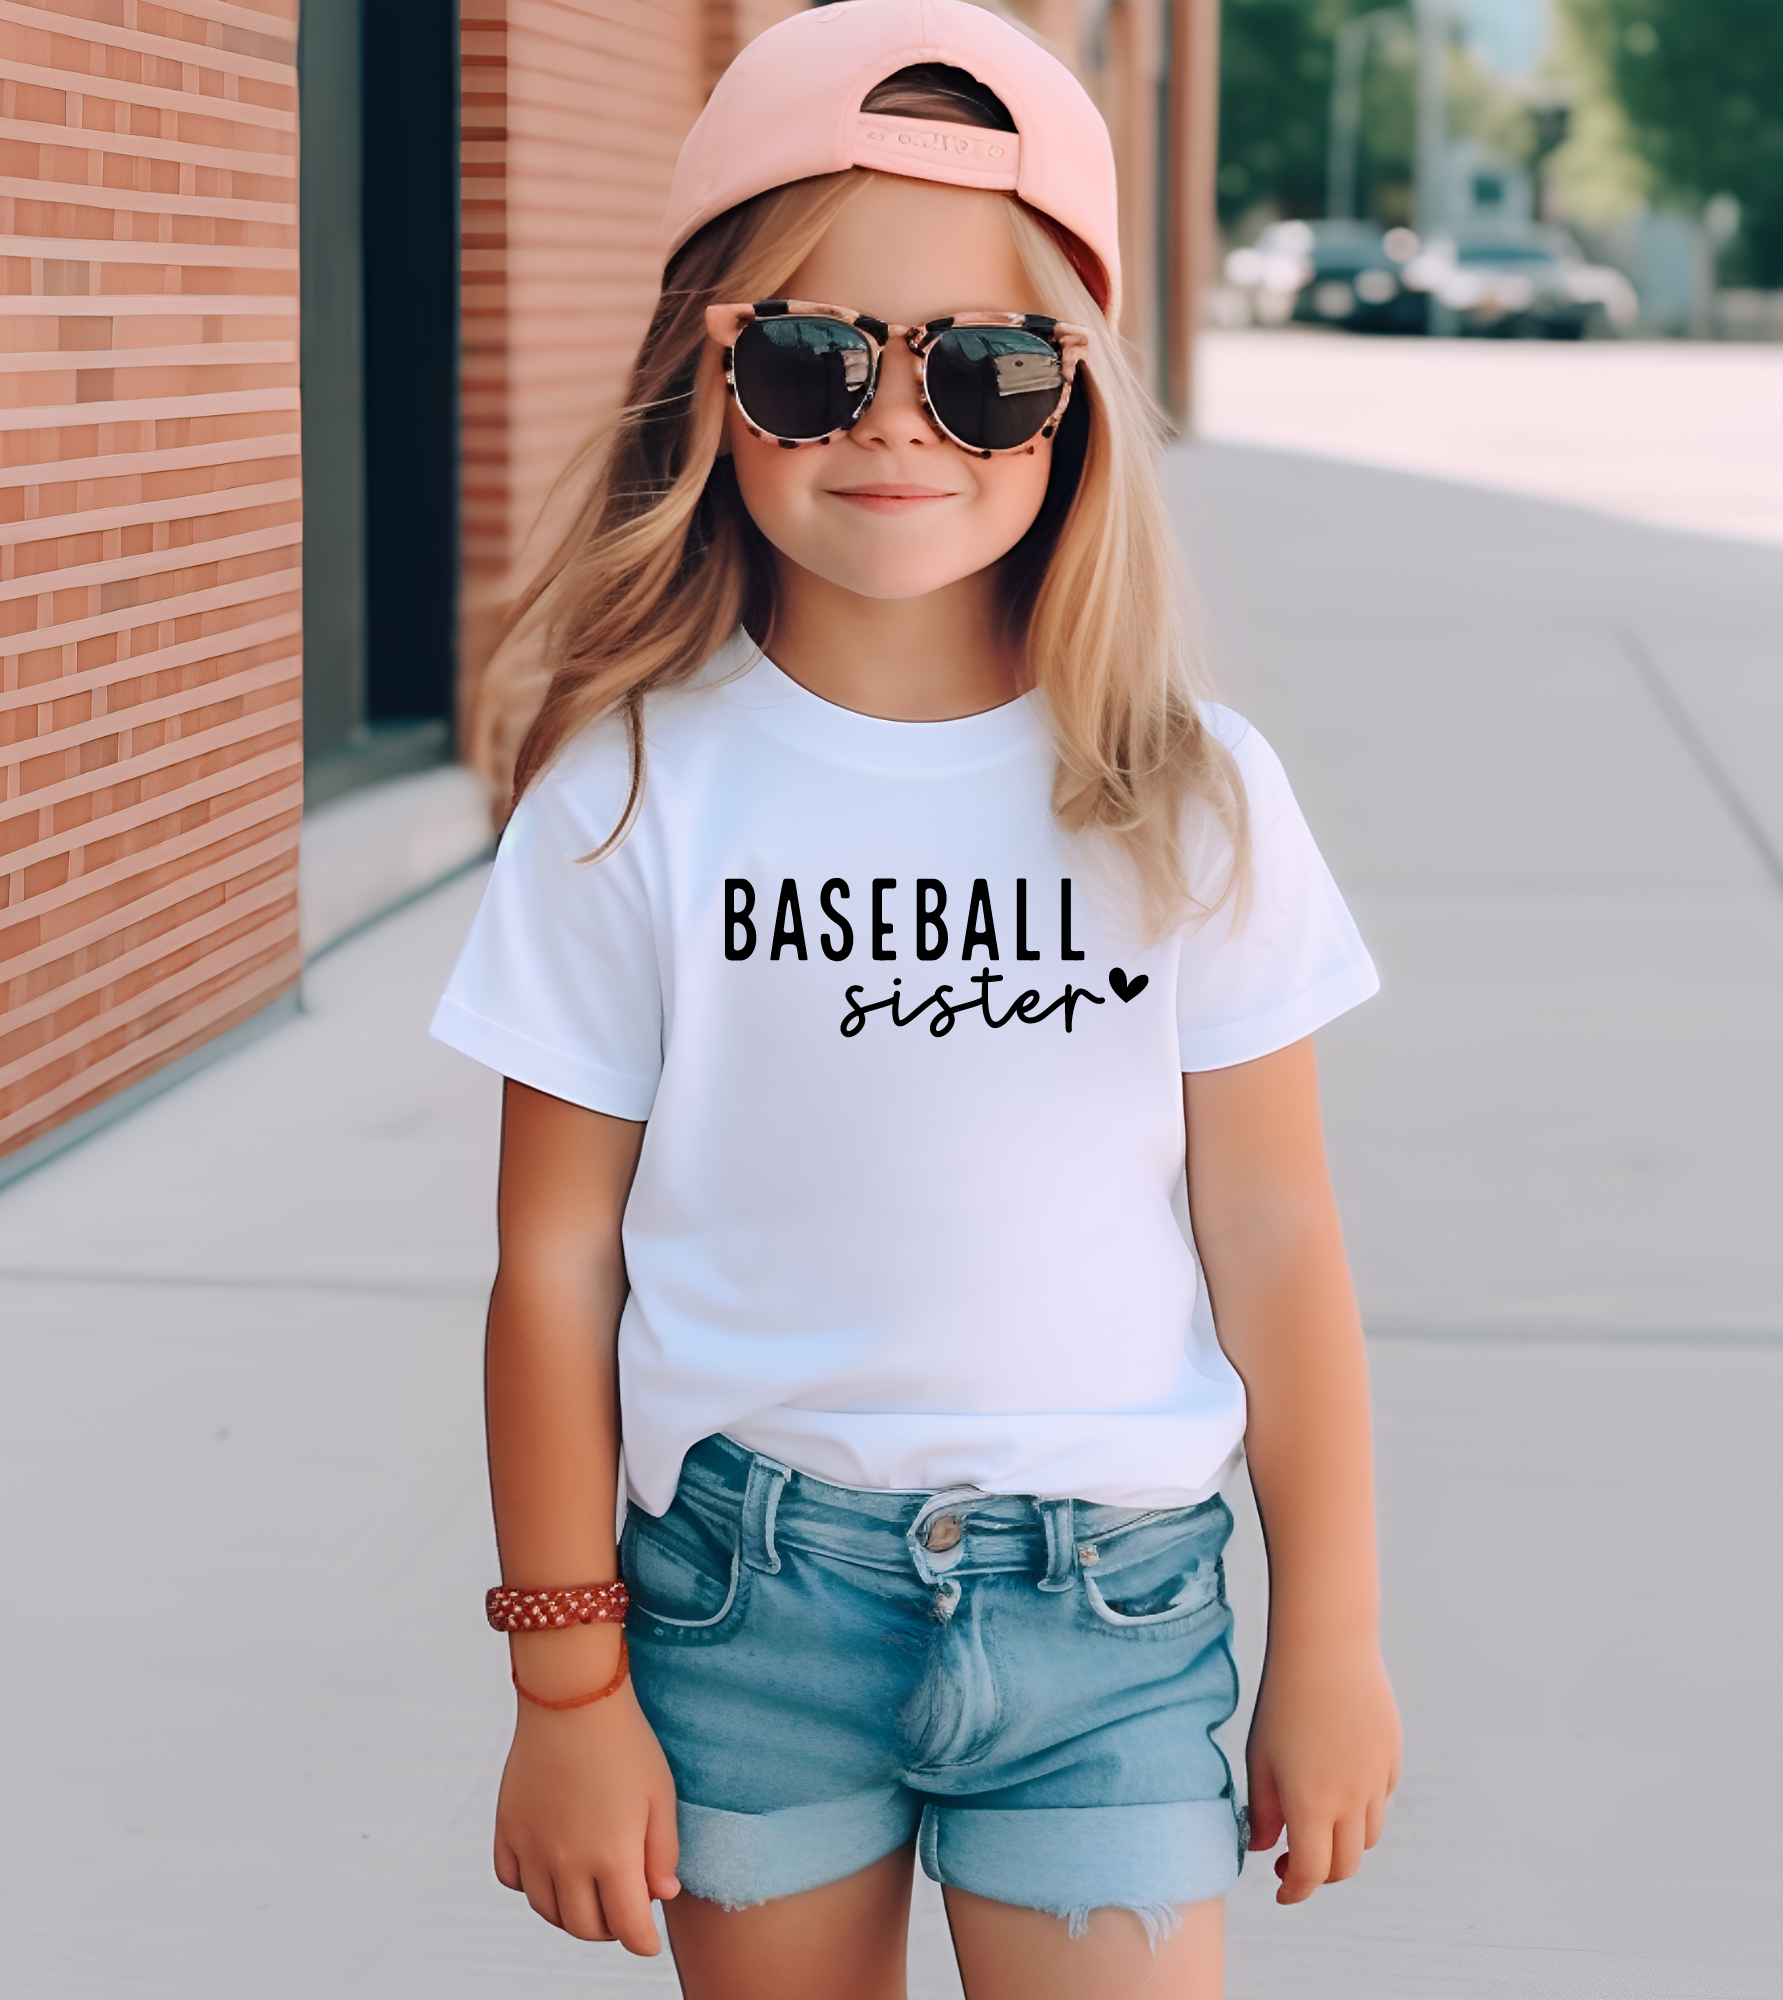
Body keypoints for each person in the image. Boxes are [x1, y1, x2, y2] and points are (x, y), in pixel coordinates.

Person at [431, 5, 1400, 1995]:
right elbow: (555, 1263)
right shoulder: (628, 793)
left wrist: (1333, 1635)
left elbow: (1273, 1227)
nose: (897, 425)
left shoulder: (1191, 793)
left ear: (1076, 403)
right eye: (812, 360)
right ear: (708, 376)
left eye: (984, 370)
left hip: (1112, 1617)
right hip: (745, 1603)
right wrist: (564, 1683)